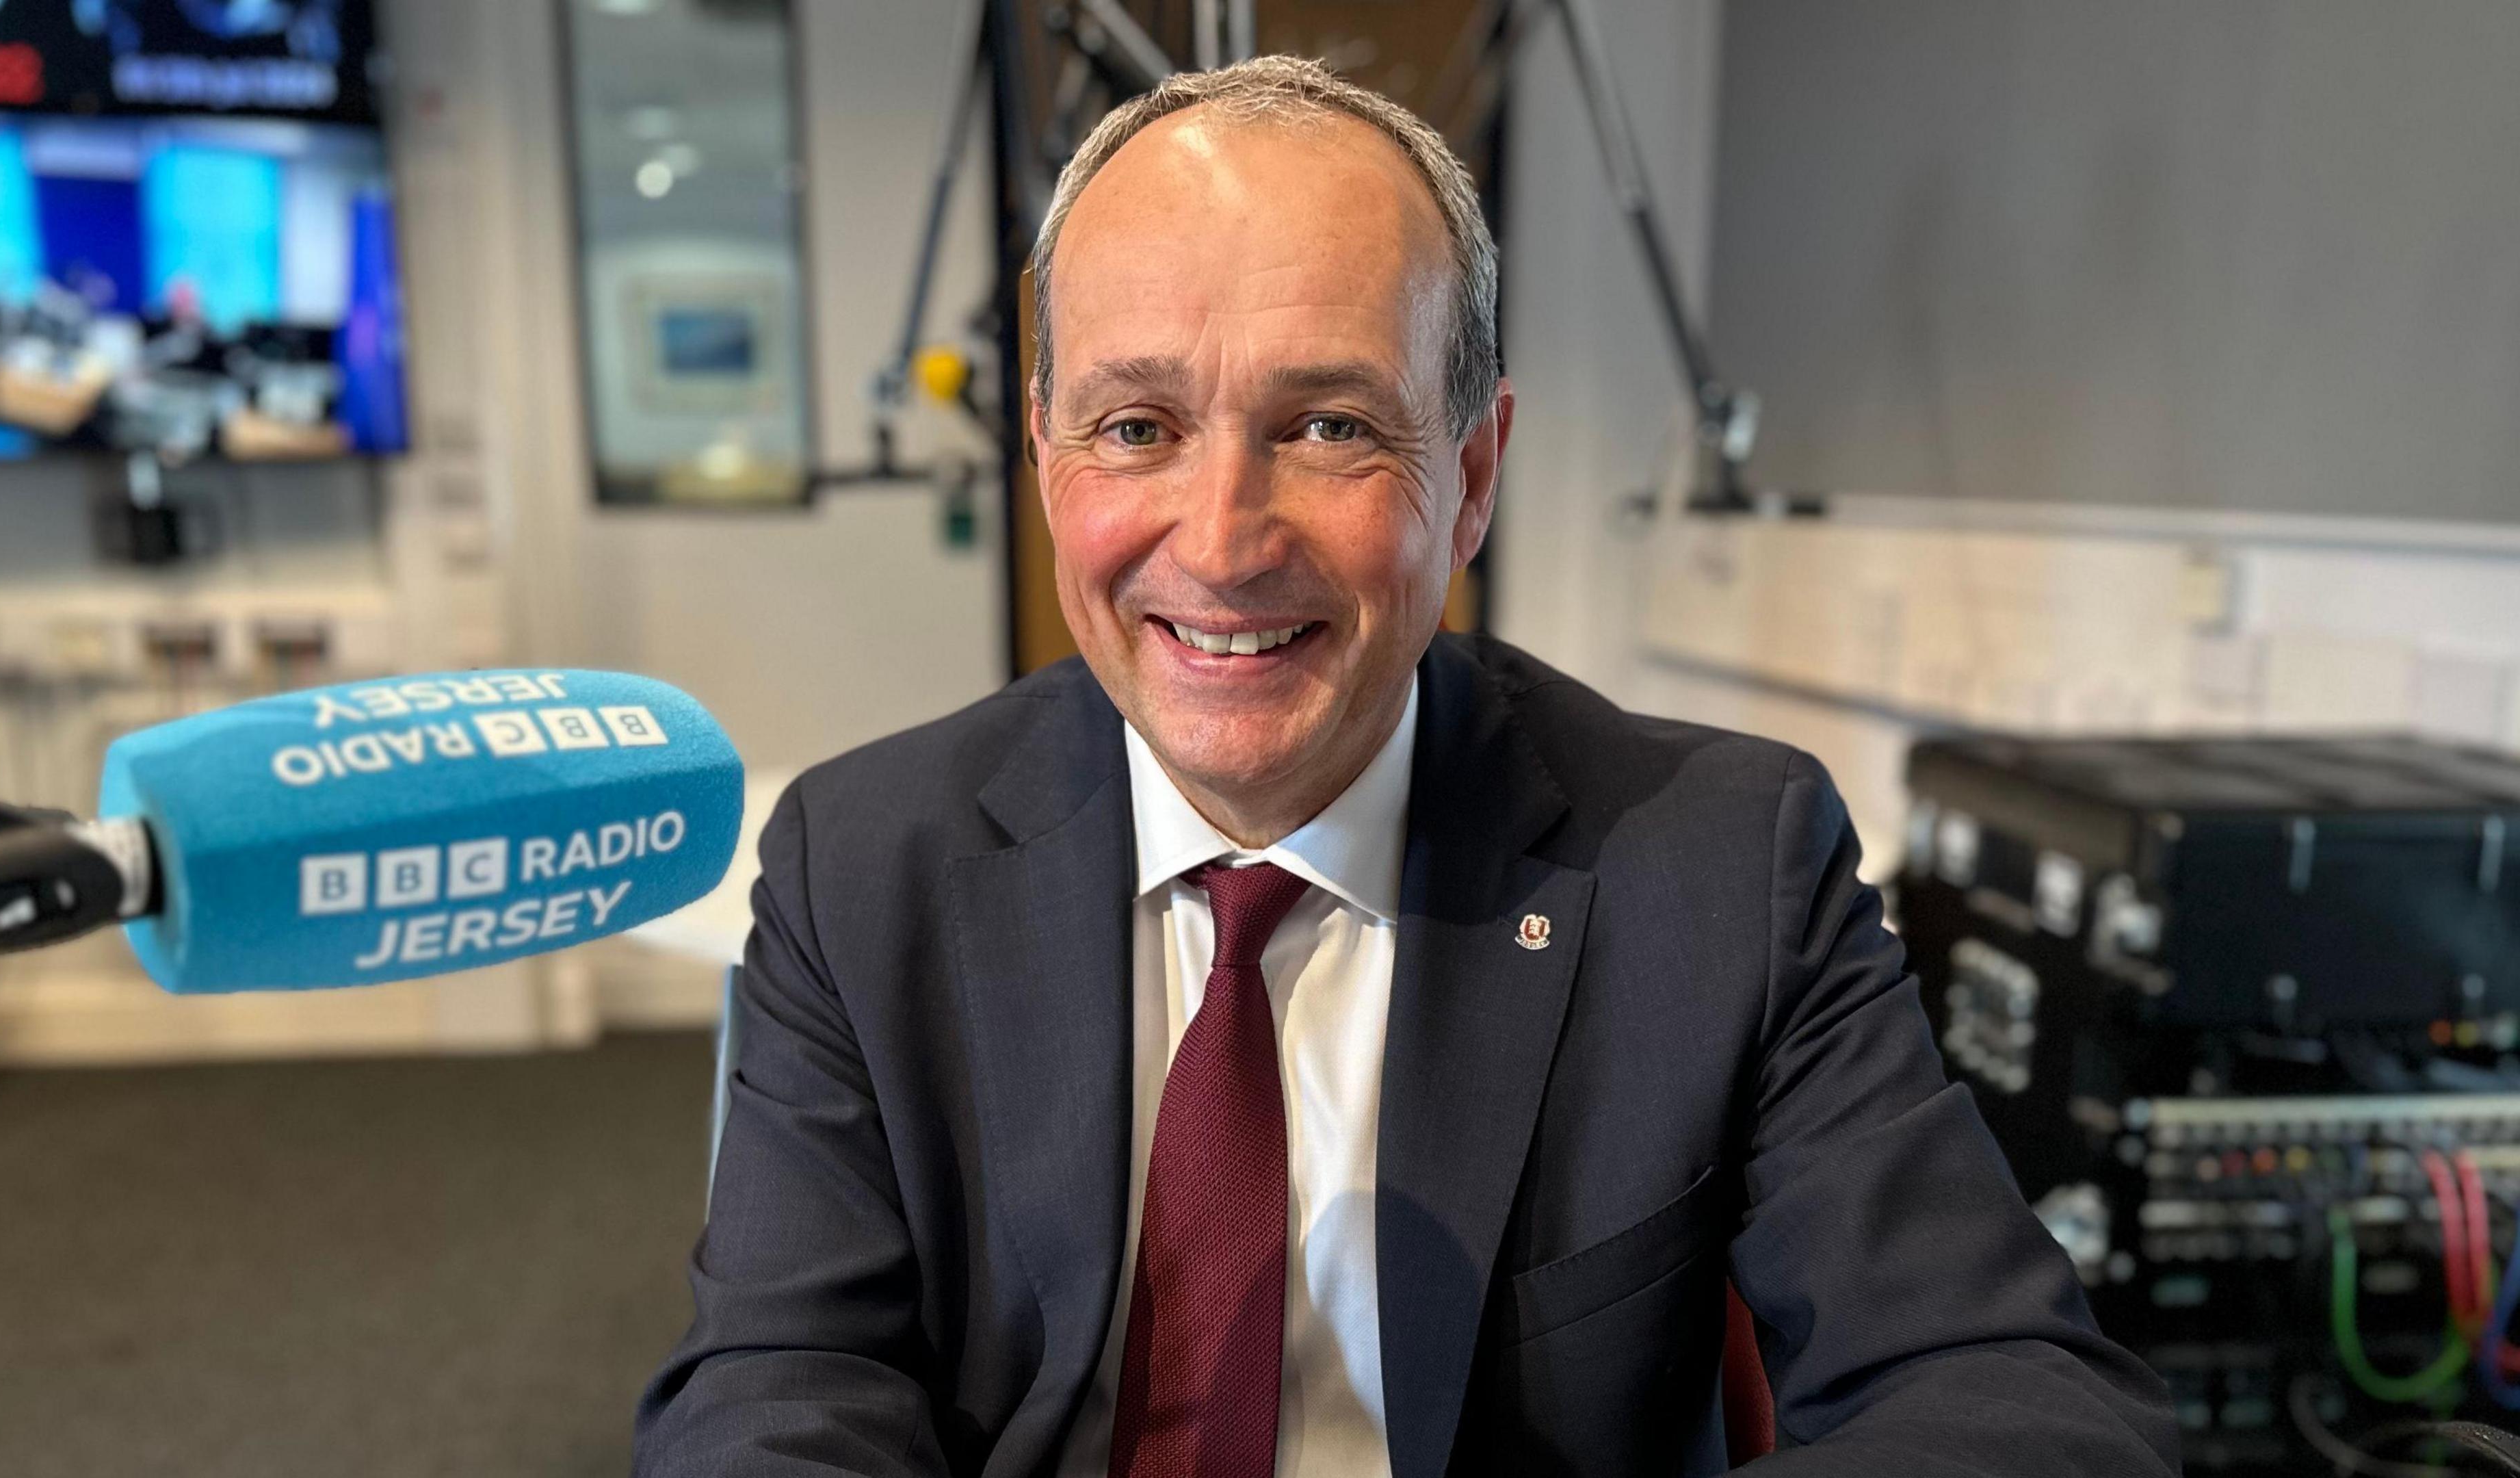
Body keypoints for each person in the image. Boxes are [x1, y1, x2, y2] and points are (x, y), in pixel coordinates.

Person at [635, 55, 2179, 1478]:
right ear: (1046, 459)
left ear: (1476, 471)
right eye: (1136, 426)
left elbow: (2014, 1405)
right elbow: (778, 1387)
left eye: (1327, 427)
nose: (1225, 541)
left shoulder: (1723, 866)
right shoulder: (864, 861)